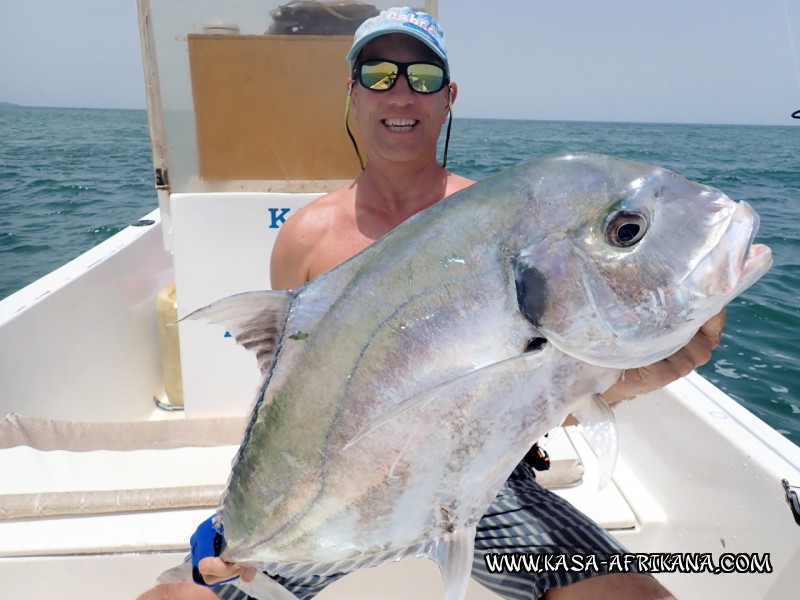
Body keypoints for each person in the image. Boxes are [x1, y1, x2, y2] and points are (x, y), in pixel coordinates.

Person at [140, 7, 726, 600]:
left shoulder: (497, 227)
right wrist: (235, 521)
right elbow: (293, 406)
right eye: (378, 74)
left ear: (448, 98)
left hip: (481, 478)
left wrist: (622, 381)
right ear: (353, 94)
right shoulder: (306, 238)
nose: (400, 93)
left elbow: (523, 399)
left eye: (421, 76)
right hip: (336, 491)